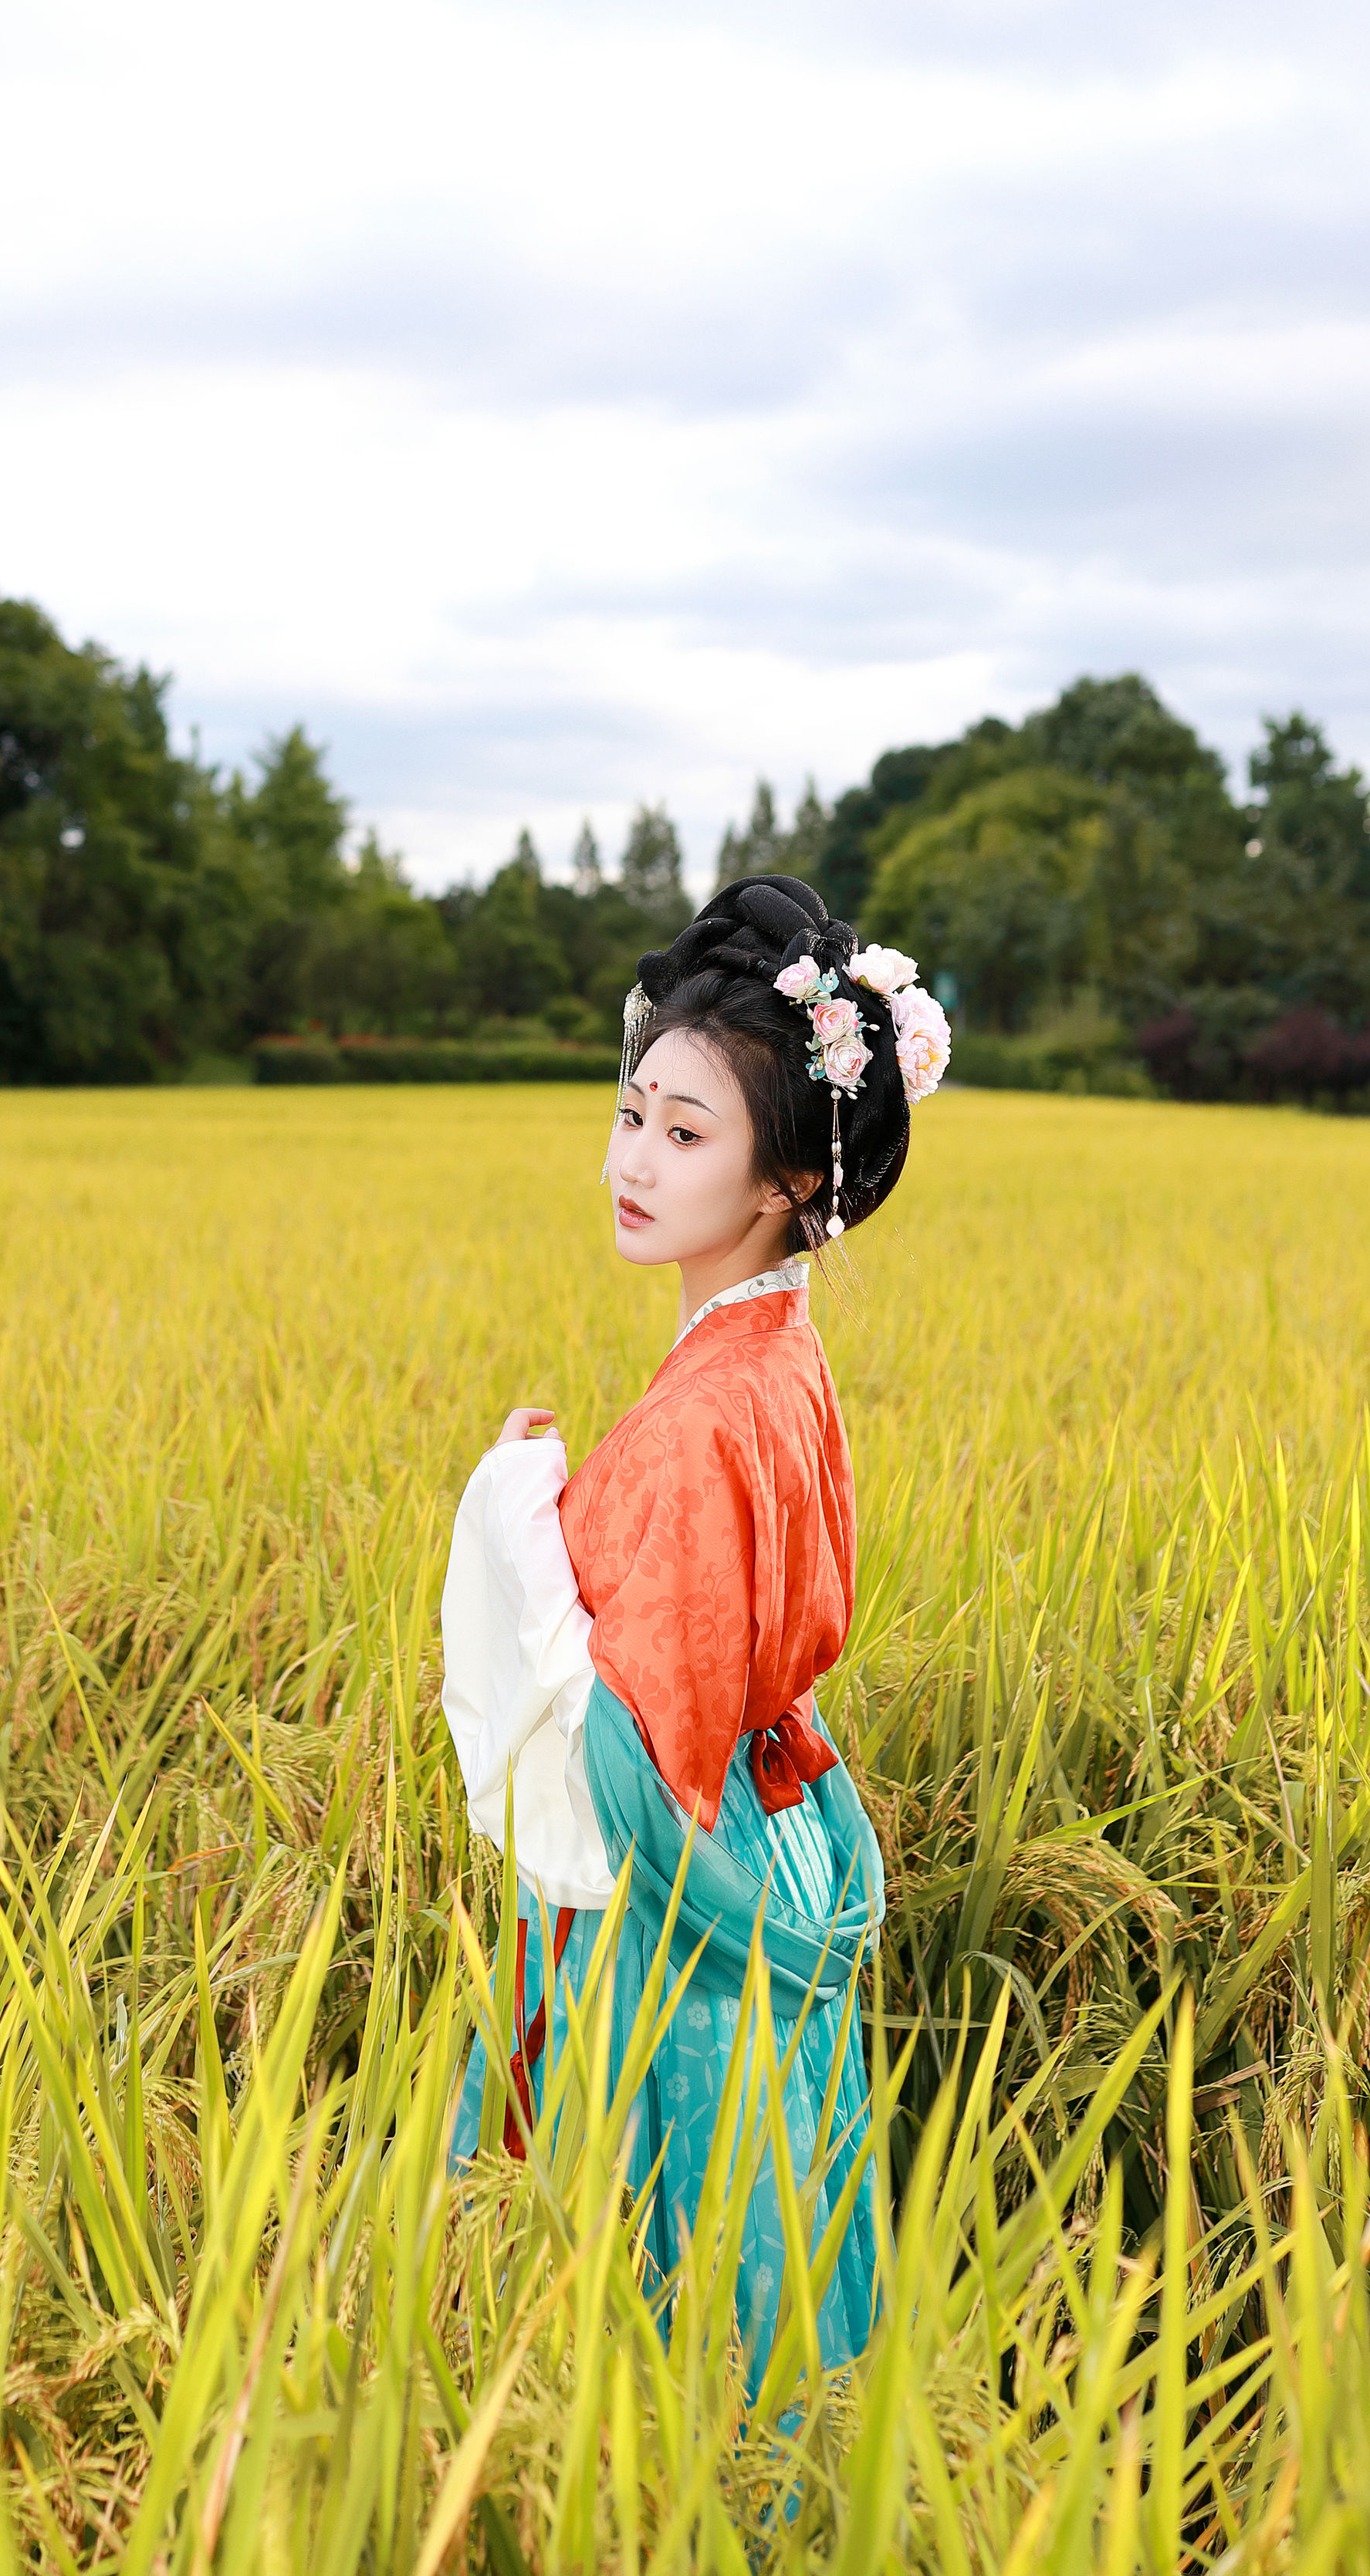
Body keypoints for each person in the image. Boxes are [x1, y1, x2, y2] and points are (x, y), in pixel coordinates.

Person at [440, 872, 951, 2388]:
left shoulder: (695, 1423)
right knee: (778, 2232)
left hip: (678, 1897)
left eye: (685, 1133)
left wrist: (513, 1521)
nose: (635, 1161)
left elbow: (619, 1771)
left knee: (639, 2280)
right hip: (776, 1826)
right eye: (631, 1113)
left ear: (791, 1181)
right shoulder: (784, 1354)